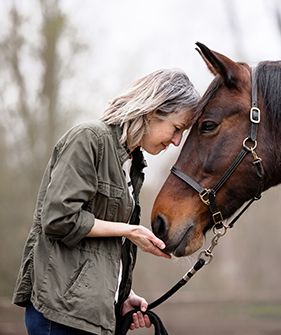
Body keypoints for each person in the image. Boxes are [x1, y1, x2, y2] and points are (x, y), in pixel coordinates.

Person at [12, 69, 199, 334]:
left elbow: (101, 246)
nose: (177, 140)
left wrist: (122, 295)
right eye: (177, 128)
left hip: (94, 316)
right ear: (152, 111)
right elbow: (59, 219)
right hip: (60, 315)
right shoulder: (89, 139)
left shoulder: (132, 164)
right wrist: (130, 231)